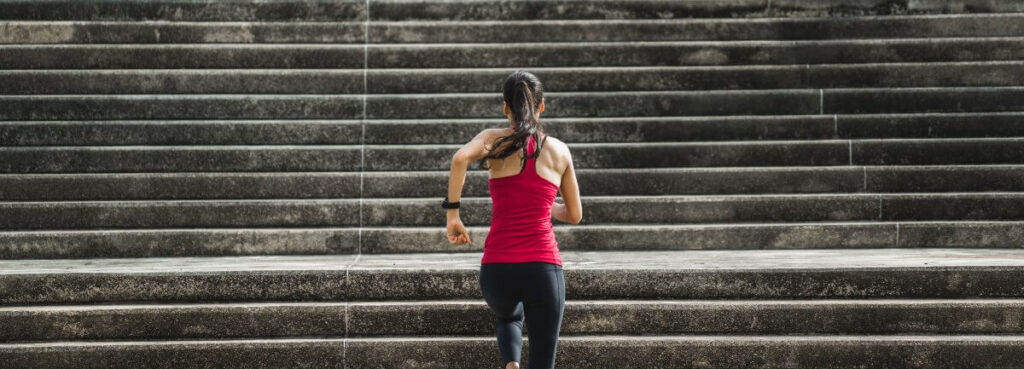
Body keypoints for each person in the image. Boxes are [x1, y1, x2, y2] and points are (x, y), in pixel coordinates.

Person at [443, 70, 583, 369]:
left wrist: (453, 214)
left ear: (505, 107)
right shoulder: (558, 150)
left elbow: (458, 160)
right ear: (542, 106)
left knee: (508, 316)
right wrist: (544, 205)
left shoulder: (492, 140)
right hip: (543, 268)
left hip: (497, 270)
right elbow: (574, 214)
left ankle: (511, 362)